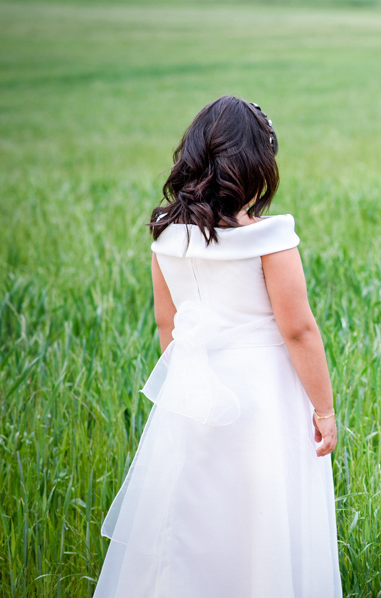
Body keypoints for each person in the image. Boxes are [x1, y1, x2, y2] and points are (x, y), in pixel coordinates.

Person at [94, 95, 343, 597]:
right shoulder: (271, 238)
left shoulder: (166, 237)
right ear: (258, 164)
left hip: (195, 392)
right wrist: (325, 409)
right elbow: (298, 330)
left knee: (192, 516)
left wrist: (188, 392)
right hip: (266, 396)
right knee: (264, 518)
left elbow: (167, 328)